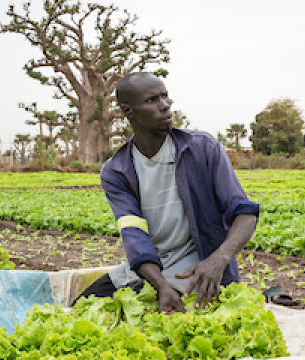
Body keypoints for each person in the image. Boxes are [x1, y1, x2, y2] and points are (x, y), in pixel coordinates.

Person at [75, 72, 260, 313]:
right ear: (129, 112)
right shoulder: (117, 171)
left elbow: (245, 214)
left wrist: (218, 260)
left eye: (165, 97)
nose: (165, 106)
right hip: (149, 271)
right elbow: (134, 236)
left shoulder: (202, 148)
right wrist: (161, 285)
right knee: (78, 307)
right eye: (152, 100)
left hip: (199, 271)